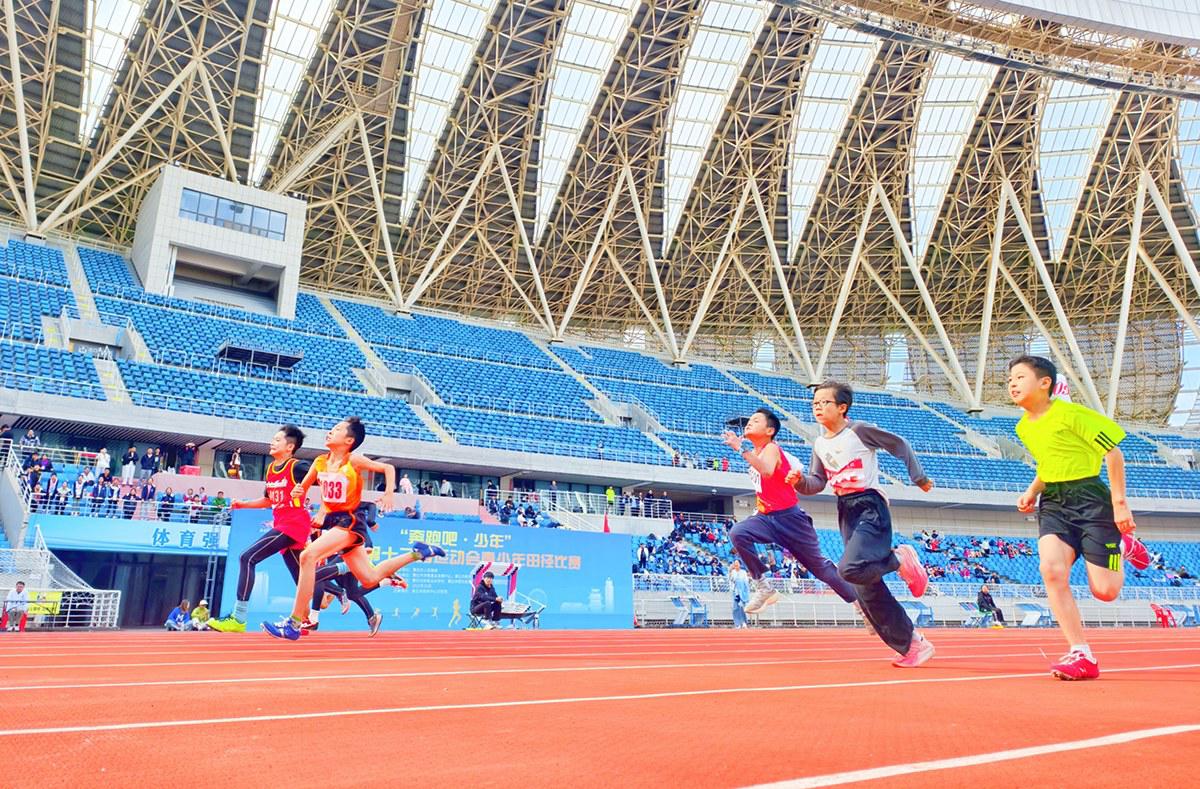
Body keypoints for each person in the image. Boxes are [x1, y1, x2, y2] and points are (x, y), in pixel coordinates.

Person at [1008, 355, 1149, 681]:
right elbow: (1049, 463)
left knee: (1105, 591)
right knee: (1051, 570)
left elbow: (1113, 453)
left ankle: (1124, 546)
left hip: (1091, 499)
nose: (1012, 384)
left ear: (1044, 383)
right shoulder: (1023, 427)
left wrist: (1119, 503)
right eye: (1010, 380)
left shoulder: (1072, 414)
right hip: (1054, 503)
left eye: (1020, 377)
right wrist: (1032, 491)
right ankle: (1081, 653)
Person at [786, 382, 936, 668]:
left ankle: (899, 559)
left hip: (870, 506)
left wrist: (918, 477)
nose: (818, 407)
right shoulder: (819, 444)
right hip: (846, 510)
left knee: (848, 569)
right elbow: (817, 482)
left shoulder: (859, 431)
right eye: (815, 403)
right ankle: (913, 644)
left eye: (824, 402)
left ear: (842, 407)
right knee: (864, 585)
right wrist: (799, 482)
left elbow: (900, 445)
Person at [263, 417, 445, 640]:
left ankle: (294, 623)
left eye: (337, 429)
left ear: (349, 440)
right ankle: (419, 553)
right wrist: (298, 492)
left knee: (307, 556)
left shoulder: (353, 460)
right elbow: (303, 486)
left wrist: (389, 492)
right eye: (332, 428)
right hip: (334, 523)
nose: (330, 431)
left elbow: (388, 468)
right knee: (369, 578)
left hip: (349, 521)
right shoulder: (320, 462)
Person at [721, 409, 859, 617]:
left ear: (770, 431)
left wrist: (740, 448)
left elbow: (767, 471)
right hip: (766, 517)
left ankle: (861, 605)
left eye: (755, 421)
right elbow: (766, 486)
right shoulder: (757, 454)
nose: (749, 423)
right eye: (749, 421)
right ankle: (764, 586)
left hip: (791, 519)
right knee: (738, 532)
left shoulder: (771, 448)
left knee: (820, 568)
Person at [209, 426, 312, 633]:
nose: (272, 442)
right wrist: (243, 504)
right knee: (301, 576)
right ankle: (309, 614)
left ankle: (238, 618)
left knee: (247, 557)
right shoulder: (271, 468)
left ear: (290, 447)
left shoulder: (297, 466)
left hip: (293, 524)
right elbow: (268, 500)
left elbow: (320, 475)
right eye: (273, 439)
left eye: (277, 440)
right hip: (282, 524)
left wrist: (308, 489)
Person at [730, 560, 750, 629]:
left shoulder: (743, 572)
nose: (736, 564)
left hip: (742, 592)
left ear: (740, 564)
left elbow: (746, 582)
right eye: (735, 563)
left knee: (742, 608)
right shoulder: (733, 572)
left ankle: (744, 622)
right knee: (735, 608)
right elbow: (731, 580)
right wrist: (730, 571)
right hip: (735, 592)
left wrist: (746, 592)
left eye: (737, 563)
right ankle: (737, 624)